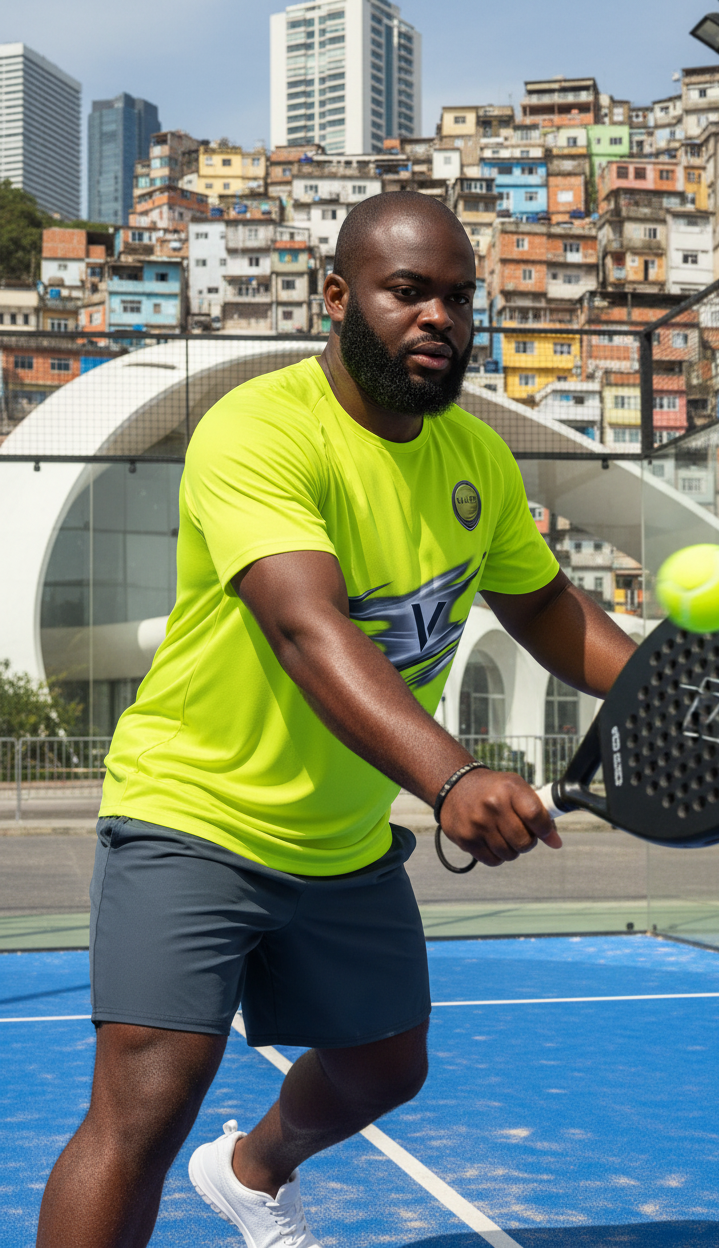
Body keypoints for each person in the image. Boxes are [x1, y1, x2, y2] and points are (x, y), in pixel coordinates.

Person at [36, 192, 636, 1248]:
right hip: (196, 812)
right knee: (145, 1104)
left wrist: (660, 694)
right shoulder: (260, 429)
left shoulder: (475, 459)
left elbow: (543, 604)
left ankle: (254, 1171)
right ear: (337, 297)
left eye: (457, 296)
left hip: (343, 839)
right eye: (408, 292)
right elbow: (308, 627)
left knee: (386, 1065)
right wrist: (452, 779)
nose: (438, 317)